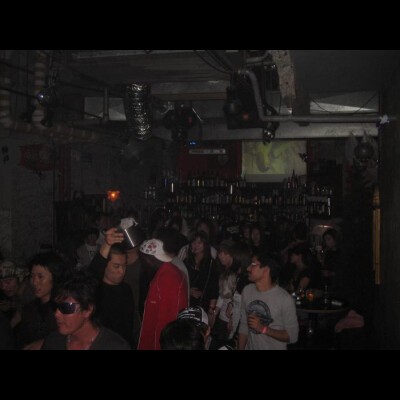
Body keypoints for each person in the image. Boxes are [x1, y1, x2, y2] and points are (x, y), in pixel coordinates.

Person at [42, 271, 131, 350]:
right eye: (55, 306)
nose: (57, 314)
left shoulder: (115, 347)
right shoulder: (53, 342)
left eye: (66, 307)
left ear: (87, 310)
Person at [238, 252, 298, 350]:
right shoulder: (247, 291)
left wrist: (263, 329)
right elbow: (244, 325)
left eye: (253, 264)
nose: (248, 268)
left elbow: (293, 336)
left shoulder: (284, 299)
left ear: (266, 269)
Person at [137, 239, 188, 350]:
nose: (141, 264)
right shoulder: (165, 273)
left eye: (142, 260)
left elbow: (166, 322)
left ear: (149, 260)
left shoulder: (168, 278)